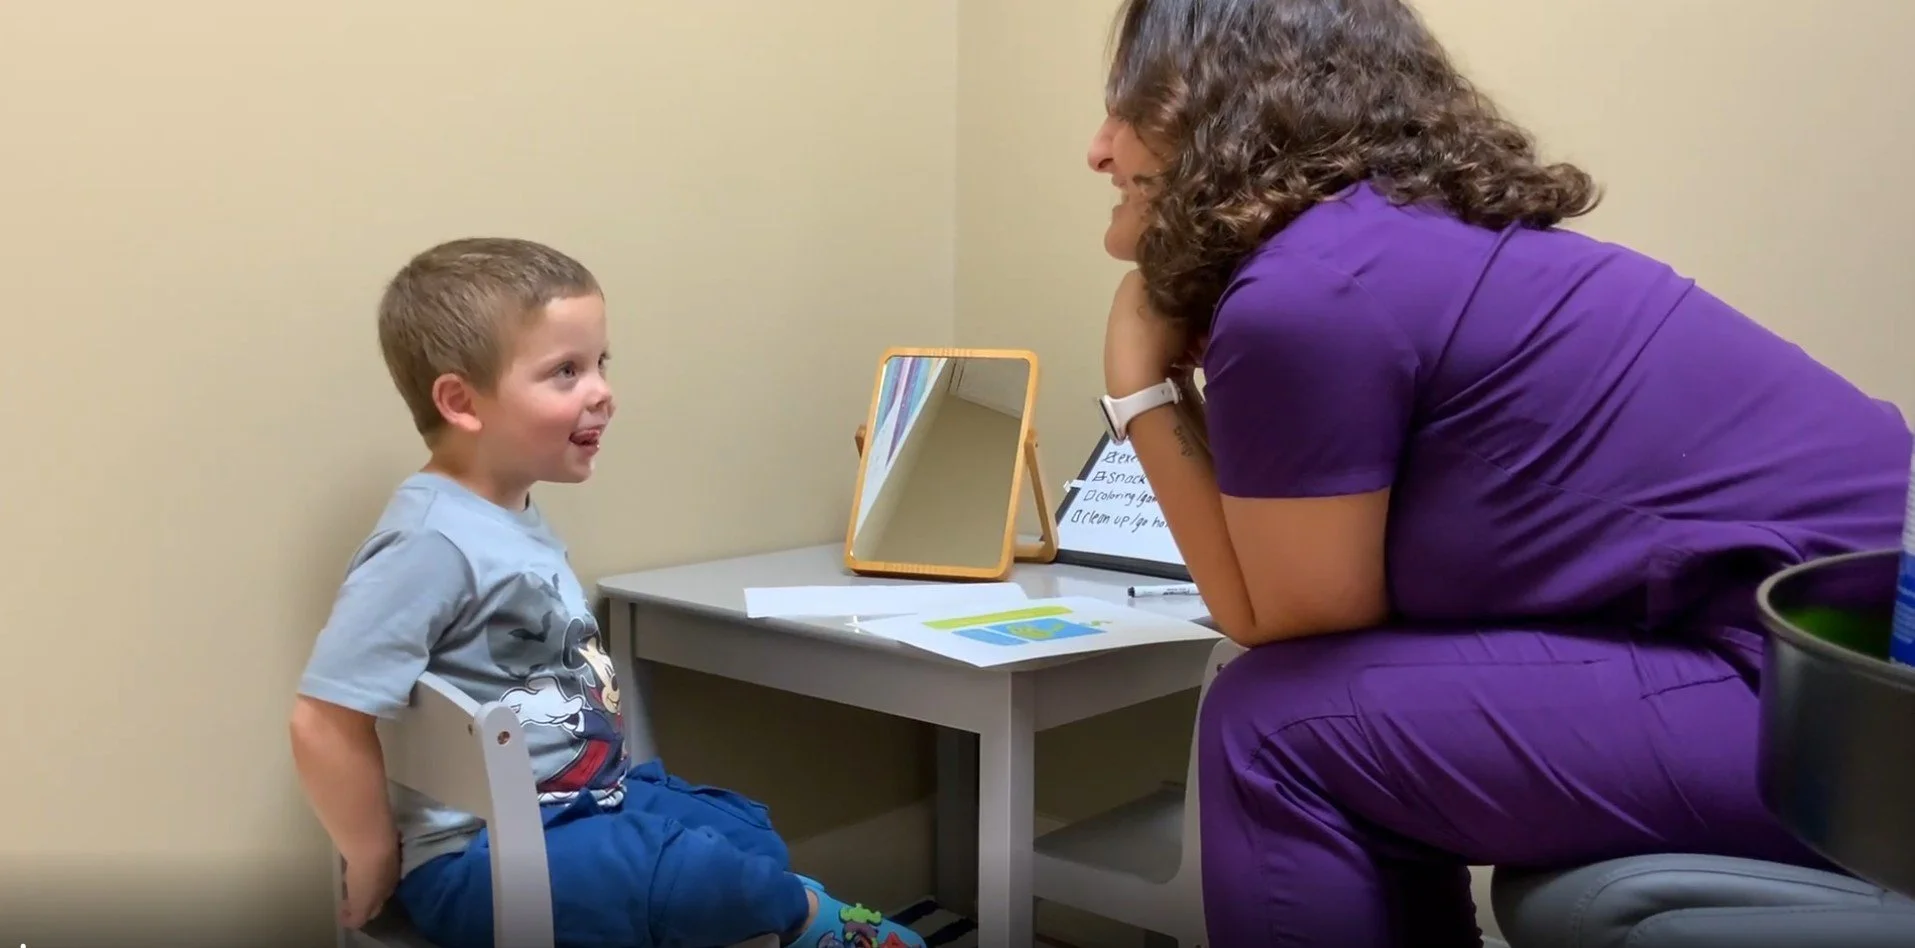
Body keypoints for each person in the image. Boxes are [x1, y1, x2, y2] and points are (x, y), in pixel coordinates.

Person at [1087, 1, 1913, 945]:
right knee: (1327, 703)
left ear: (1229, 107)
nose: (1098, 150)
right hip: (1835, 667)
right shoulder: (1394, 246)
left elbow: (1274, 618)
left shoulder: (1308, 293)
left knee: (1270, 728)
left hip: (1852, 702)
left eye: (1129, 107)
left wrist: (1135, 379)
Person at [288, 238, 926, 948]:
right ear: (461, 402)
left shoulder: (507, 515)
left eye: (599, 364)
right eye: (565, 372)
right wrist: (373, 855)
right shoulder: (429, 541)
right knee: (711, 879)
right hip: (483, 860)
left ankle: (774, 903)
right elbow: (323, 720)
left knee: (745, 829)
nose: (601, 391)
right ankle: (807, 919)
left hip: (581, 807)